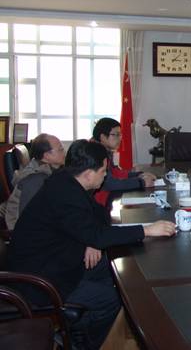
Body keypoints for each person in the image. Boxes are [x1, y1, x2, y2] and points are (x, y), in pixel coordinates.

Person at [7, 139, 176, 349]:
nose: (105, 176)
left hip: (60, 257)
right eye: (103, 171)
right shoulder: (65, 193)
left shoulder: (69, 181)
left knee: (117, 273)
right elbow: (96, 231)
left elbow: (101, 217)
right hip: (41, 279)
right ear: (88, 173)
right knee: (116, 296)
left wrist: (92, 240)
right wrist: (147, 230)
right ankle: (82, 341)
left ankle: (82, 327)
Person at [3, 133, 66, 230]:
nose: (64, 152)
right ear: (47, 155)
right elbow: (31, 219)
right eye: (60, 149)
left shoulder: (50, 170)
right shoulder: (36, 179)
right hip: (25, 231)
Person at [92, 117, 156, 207]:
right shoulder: (95, 154)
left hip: (105, 200)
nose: (120, 138)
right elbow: (109, 183)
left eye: (120, 134)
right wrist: (141, 182)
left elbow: (116, 172)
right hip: (96, 205)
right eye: (116, 135)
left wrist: (139, 175)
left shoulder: (105, 151)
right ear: (103, 137)